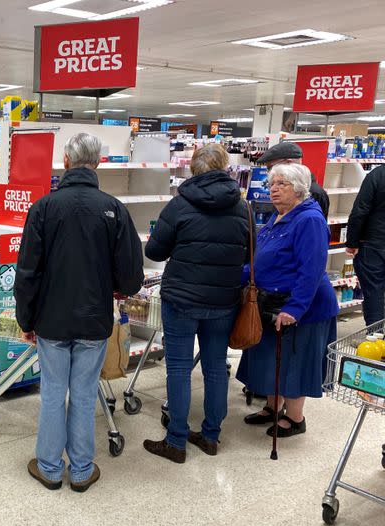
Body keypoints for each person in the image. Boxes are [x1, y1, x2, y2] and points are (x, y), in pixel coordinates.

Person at [14, 133, 144, 493]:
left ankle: (50, 468)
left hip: (51, 320)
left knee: (53, 393)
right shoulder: (114, 209)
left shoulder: (43, 208)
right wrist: (115, 286)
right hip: (93, 320)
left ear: (66, 163)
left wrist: (26, 320)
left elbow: (27, 273)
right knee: (85, 395)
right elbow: (132, 275)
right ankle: (83, 470)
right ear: (98, 163)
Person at [142, 144, 249, 463]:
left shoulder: (180, 205)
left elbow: (155, 252)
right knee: (216, 368)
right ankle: (211, 436)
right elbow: (248, 253)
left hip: (182, 300)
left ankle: (176, 440)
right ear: (225, 167)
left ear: (192, 169)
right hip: (223, 300)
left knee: (178, 368)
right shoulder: (242, 207)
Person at [237, 163, 338, 438]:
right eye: (272, 184)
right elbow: (264, 259)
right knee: (273, 360)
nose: (274, 189)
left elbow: (312, 270)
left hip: (303, 308)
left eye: (282, 184)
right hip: (271, 303)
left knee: (294, 363)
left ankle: (295, 418)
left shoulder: (309, 220)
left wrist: (295, 308)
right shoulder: (279, 216)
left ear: (299, 189)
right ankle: (272, 407)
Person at [346, 164, 385, 325]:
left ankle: (376, 341)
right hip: (375, 243)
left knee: (373, 294)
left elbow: (360, 210)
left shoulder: (378, 175)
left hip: (374, 244)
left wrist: (352, 242)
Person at [257, 141, 329, 218]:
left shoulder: (313, 192)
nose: (269, 172)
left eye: (271, 167)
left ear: (289, 163)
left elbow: (313, 225)